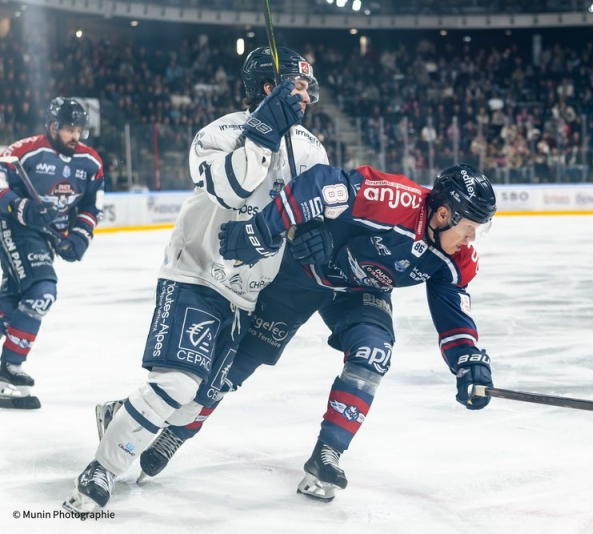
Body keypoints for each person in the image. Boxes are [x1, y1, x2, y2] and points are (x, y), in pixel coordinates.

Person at [62, 46, 328, 513]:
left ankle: (118, 414)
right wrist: (262, 135)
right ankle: (101, 469)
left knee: (198, 399)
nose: (306, 97)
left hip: (247, 295)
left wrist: (317, 235)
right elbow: (232, 189)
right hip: (196, 273)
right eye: (299, 86)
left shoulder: (310, 149)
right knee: (178, 383)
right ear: (271, 86)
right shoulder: (219, 133)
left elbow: (315, 210)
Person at [134, 162, 497, 503]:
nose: (471, 239)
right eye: (470, 228)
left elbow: (452, 311)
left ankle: (328, 454)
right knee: (239, 364)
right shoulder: (395, 199)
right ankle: (175, 433)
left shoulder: (456, 257)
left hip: (360, 292)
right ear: (443, 215)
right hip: (302, 275)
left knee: (375, 351)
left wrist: (468, 361)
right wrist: (275, 229)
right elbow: (320, 182)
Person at [0, 98, 104, 410]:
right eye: (69, 129)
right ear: (52, 126)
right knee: (42, 291)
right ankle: (9, 366)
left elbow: (91, 207)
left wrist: (79, 238)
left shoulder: (91, 163)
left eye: (79, 130)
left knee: (15, 301)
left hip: (46, 238)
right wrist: (24, 208)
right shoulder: (24, 152)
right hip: (14, 228)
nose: (75, 136)